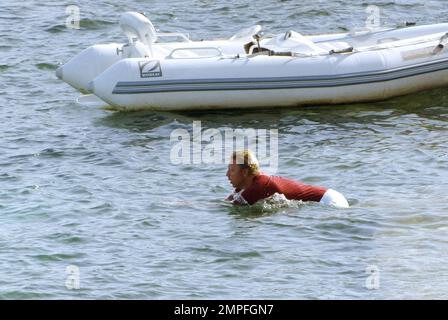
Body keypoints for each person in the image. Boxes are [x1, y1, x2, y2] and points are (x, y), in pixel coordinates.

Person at [226, 150, 349, 208]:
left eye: (232, 170)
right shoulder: (247, 185)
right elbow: (227, 201)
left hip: (330, 201)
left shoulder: (257, 187)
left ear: (245, 172)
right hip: (330, 196)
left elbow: (231, 208)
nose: (227, 174)